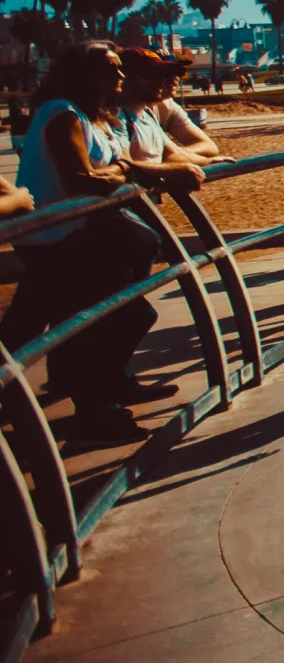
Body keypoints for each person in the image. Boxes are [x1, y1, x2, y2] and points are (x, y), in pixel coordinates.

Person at [0, 42, 205, 442]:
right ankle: (95, 411)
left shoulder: (97, 117)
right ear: (83, 74)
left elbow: (119, 168)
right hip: (61, 240)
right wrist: (124, 174)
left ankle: (103, 396)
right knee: (96, 323)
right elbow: (83, 179)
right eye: (110, 69)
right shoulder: (62, 113)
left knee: (47, 324)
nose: (120, 76)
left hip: (83, 238)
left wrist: (124, 171)